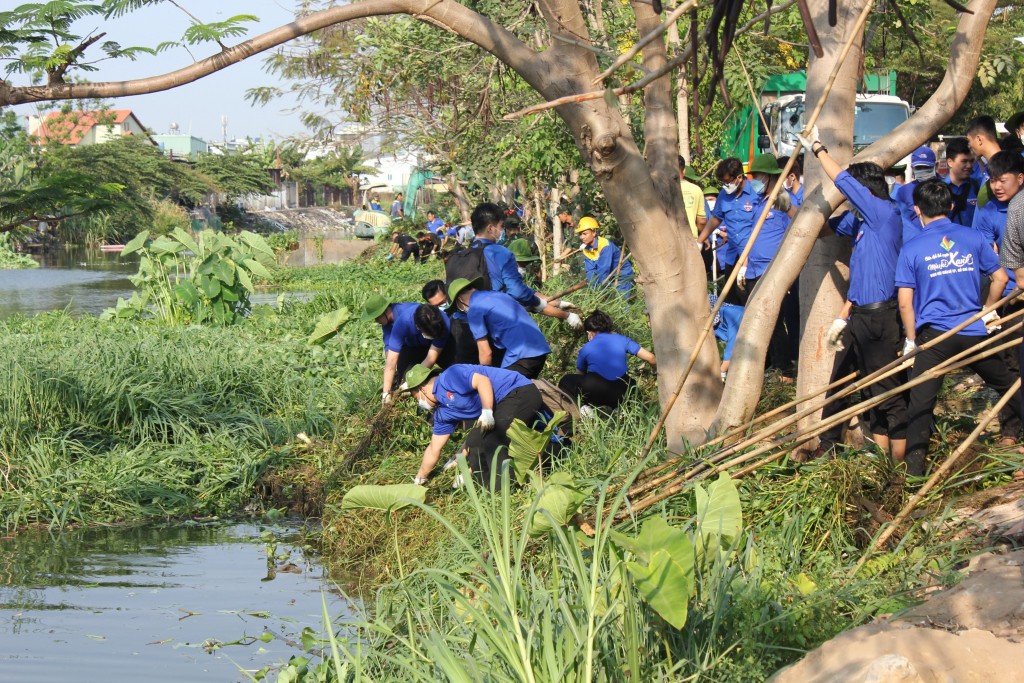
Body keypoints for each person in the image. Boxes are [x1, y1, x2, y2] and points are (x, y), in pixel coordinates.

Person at [896, 179, 1022, 476]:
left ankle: (913, 475)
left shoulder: (912, 247)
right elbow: (1001, 279)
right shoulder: (973, 238)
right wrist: (987, 311)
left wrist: (911, 340)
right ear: (952, 207)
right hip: (972, 332)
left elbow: (905, 302)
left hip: (935, 339)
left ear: (917, 210)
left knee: (920, 406)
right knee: (1010, 387)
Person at [799, 127, 908, 461]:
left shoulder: (883, 213)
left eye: (855, 192)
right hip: (858, 315)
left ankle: (901, 466)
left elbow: (843, 182)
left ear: (866, 191)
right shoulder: (862, 222)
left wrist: (818, 148)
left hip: (881, 317)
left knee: (885, 392)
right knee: (839, 384)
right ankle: (829, 446)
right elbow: (824, 230)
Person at [402, 363, 544, 488]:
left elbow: (482, 381)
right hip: (501, 406)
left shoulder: (450, 376)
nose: (419, 403)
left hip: (519, 391)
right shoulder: (443, 413)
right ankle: (483, 484)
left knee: (493, 439)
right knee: (473, 442)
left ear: (422, 389)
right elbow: (434, 448)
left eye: (416, 398)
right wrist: (420, 478)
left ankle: (504, 488)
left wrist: (487, 411)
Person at [461, 202, 581, 328]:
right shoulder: (501, 253)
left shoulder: (461, 255)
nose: (502, 231)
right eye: (501, 226)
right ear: (491, 228)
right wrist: (563, 314)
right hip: (499, 319)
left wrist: (557, 303)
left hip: (470, 321)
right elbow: (518, 293)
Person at [735, 153, 798, 370]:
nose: (755, 181)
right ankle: (769, 363)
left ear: (771, 177)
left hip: (772, 269)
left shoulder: (782, 200)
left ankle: (785, 367)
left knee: (773, 320)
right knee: (758, 320)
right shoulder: (758, 202)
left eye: (759, 176)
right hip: (753, 269)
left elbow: (799, 224)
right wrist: (743, 265)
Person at [448, 277, 551, 379]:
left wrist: (484, 379)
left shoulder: (475, 309)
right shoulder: (499, 295)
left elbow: (486, 353)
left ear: (459, 300)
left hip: (522, 356)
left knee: (498, 388)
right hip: (540, 349)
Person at [558, 310, 656, 412]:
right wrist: (654, 372)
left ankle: (584, 408)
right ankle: (619, 408)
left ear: (589, 333)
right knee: (630, 383)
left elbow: (579, 375)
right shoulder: (622, 339)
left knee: (566, 380)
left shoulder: (586, 348)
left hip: (594, 389)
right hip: (621, 392)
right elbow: (651, 358)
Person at [361, 295, 454, 402]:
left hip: (435, 343)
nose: (376, 321)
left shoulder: (440, 323)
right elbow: (391, 358)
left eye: (377, 317)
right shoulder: (392, 325)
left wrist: (413, 380)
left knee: (453, 368)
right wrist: (386, 392)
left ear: (386, 310)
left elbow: (431, 358)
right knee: (403, 377)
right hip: (413, 347)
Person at [697, 157, 762, 304]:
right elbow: (715, 219)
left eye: (728, 182)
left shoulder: (756, 193)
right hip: (732, 257)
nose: (725, 186)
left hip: (753, 259)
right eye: (723, 183)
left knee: (752, 301)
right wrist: (700, 240)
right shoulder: (723, 195)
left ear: (739, 177)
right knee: (732, 301)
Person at [575, 216, 634, 295]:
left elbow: (604, 269)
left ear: (594, 232)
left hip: (621, 274)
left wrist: (601, 290)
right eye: (580, 234)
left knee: (621, 303)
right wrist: (594, 289)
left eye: (585, 234)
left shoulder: (605, 245)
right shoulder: (586, 250)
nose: (582, 237)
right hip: (606, 276)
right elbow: (590, 271)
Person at [893, 146, 938, 243]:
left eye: (926, 167)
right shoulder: (903, 191)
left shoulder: (944, 188)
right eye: (919, 167)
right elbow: (900, 220)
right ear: (912, 168)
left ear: (935, 166)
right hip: (915, 241)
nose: (922, 170)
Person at [943, 137, 979, 228]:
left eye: (971, 161)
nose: (969, 166)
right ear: (950, 162)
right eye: (964, 161)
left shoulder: (977, 186)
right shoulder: (939, 190)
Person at [678, 156, 708, 239]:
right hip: (690, 240)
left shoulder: (659, 189)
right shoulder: (696, 190)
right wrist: (703, 238)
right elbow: (701, 221)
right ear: (684, 171)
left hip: (667, 243)